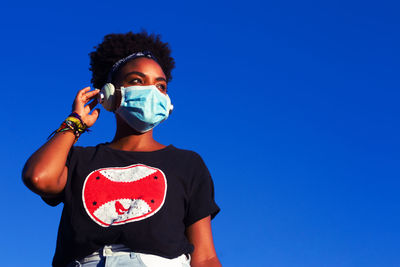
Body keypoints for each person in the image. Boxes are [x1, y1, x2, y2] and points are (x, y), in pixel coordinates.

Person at [22, 31, 221, 267]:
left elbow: (206, 256)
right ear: (109, 94)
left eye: (161, 85)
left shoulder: (188, 164)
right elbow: (38, 177)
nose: (151, 92)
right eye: (137, 81)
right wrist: (74, 123)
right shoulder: (80, 160)